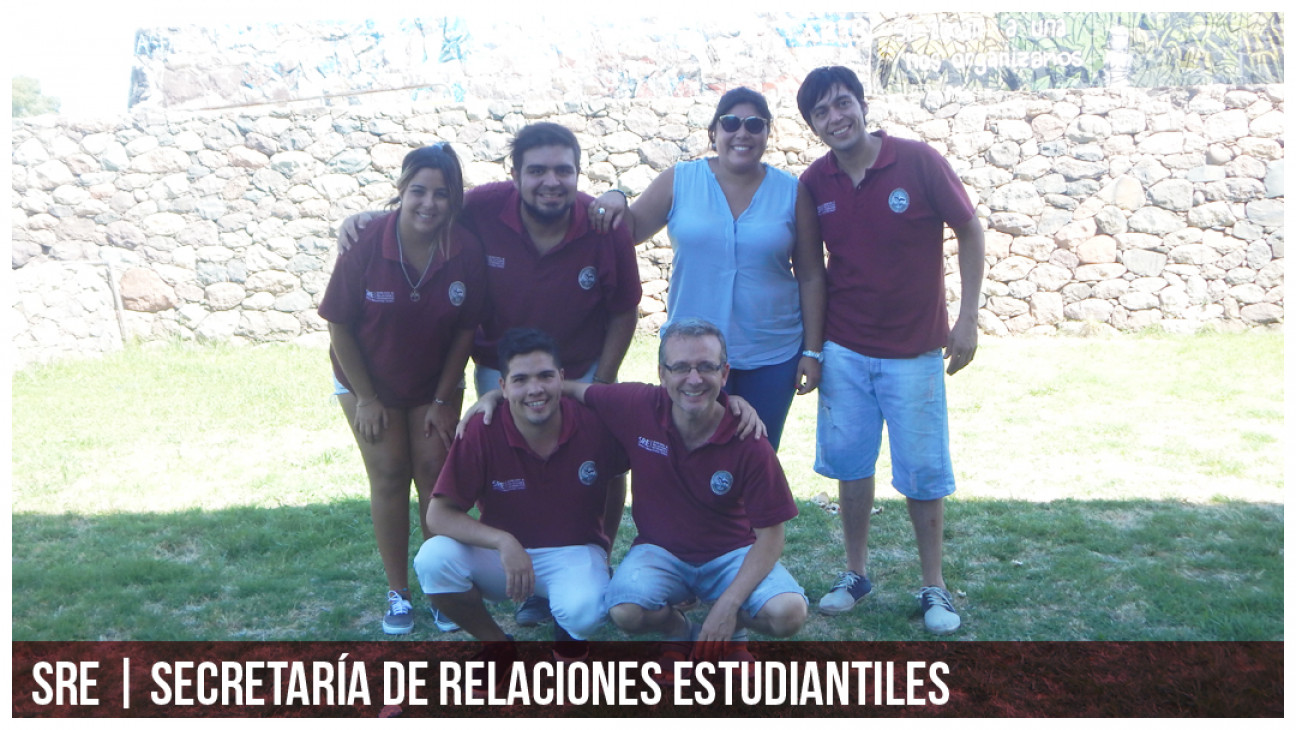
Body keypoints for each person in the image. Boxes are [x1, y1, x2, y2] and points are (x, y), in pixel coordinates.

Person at [340, 123, 642, 628]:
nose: (551, 181)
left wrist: (601, 383)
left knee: (605, 471)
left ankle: (594, 559)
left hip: (583, 366)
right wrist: (370, 219)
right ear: (515, 175)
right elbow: (426, 210)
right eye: (538, 170)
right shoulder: (483, 207)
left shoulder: (601, 222)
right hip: (504, 372)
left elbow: (624, 310)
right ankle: (522, 573)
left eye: (563, 170)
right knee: (505, 469)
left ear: (578, 174)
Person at [795, 66, 985, 634]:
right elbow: (811, 271)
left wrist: (969, 317)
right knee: (851, 468)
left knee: (924, 473)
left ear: (862, 104)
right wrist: (815, 350)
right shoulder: (814, 183)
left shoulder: (918, 161)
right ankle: (855, 573)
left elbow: (970, 230)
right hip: (845, 352)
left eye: (843, 103)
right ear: (812, 124)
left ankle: (935, 587)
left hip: (916, 351)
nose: (836, 118)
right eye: (822, 111)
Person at [560, 318, 806, 675]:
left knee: (788, 613)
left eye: (706, 367)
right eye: (681, 368)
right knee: (624, 610)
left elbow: (772, 535)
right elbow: (568, 390)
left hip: (730, 553)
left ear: (724, 374)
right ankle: (679, 632)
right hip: (659, 551)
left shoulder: (749, 438)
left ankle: (732, 632)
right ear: (662, 373)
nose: (694, 379)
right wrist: (492, 395)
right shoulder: (637, 404)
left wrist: (728, 605)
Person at [589, 87, 826, 450]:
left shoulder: (792, 193)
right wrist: (616, 195)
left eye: (754, 124)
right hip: (692, 356)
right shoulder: (680, 180)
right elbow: (629, 230)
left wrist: (811, 352)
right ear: (713, 131)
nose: (742, 132)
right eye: (731, 122)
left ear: (767, 133)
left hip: (772, 353)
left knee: (756, 452)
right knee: (690, 451)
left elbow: (810, 275)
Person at [318, 144, 487, 635]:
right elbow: (338, 325)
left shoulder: (465, 249)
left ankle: (442, 588)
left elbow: (465, 330)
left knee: (436, 476)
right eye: (418, 191)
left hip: (434, 381)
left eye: (441, 193)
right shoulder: (368, 238)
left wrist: (440, 401)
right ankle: (398, 592)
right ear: (402, 190)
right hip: (366, 380)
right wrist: (367, 400)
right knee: (389, 473)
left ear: (455, 199)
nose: (428, 204)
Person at [414, 328, 628, 662]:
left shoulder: (594, 421)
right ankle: (498, 645)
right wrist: (503, 541)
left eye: (545, 376)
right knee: (433, 560)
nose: (535, 389)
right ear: (502, 387)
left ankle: (569, 637)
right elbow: (437, 515)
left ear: (562, 377)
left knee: (585, 612)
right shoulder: (481, 427)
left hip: (573, 551)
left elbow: (617, 479)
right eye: (521, 380)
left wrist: (605, 547)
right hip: (504, 557)